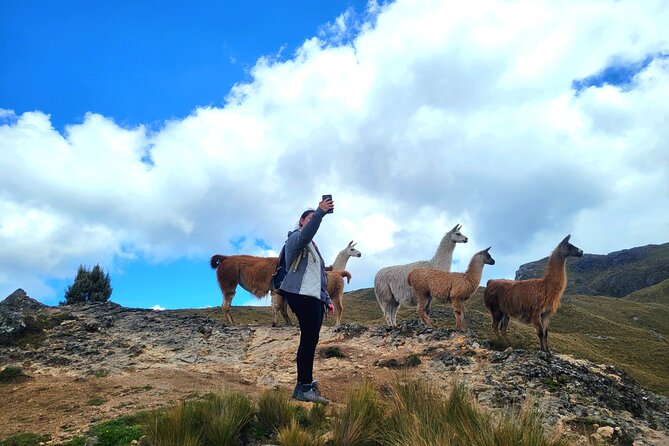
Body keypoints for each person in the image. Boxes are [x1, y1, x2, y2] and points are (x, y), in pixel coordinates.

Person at [278, 197, 335, 404]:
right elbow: (306, 235)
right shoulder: (295, 239)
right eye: (308, 218)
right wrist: (319, 212)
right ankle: (304, 386)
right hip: (300, 294)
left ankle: (303, 385)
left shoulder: (313, 248)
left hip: (314, 296)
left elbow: (319, 275)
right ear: (302, 222)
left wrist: (327, 299)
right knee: (309, 340)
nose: (312, 221)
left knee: (310, 340)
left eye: (314, 218)